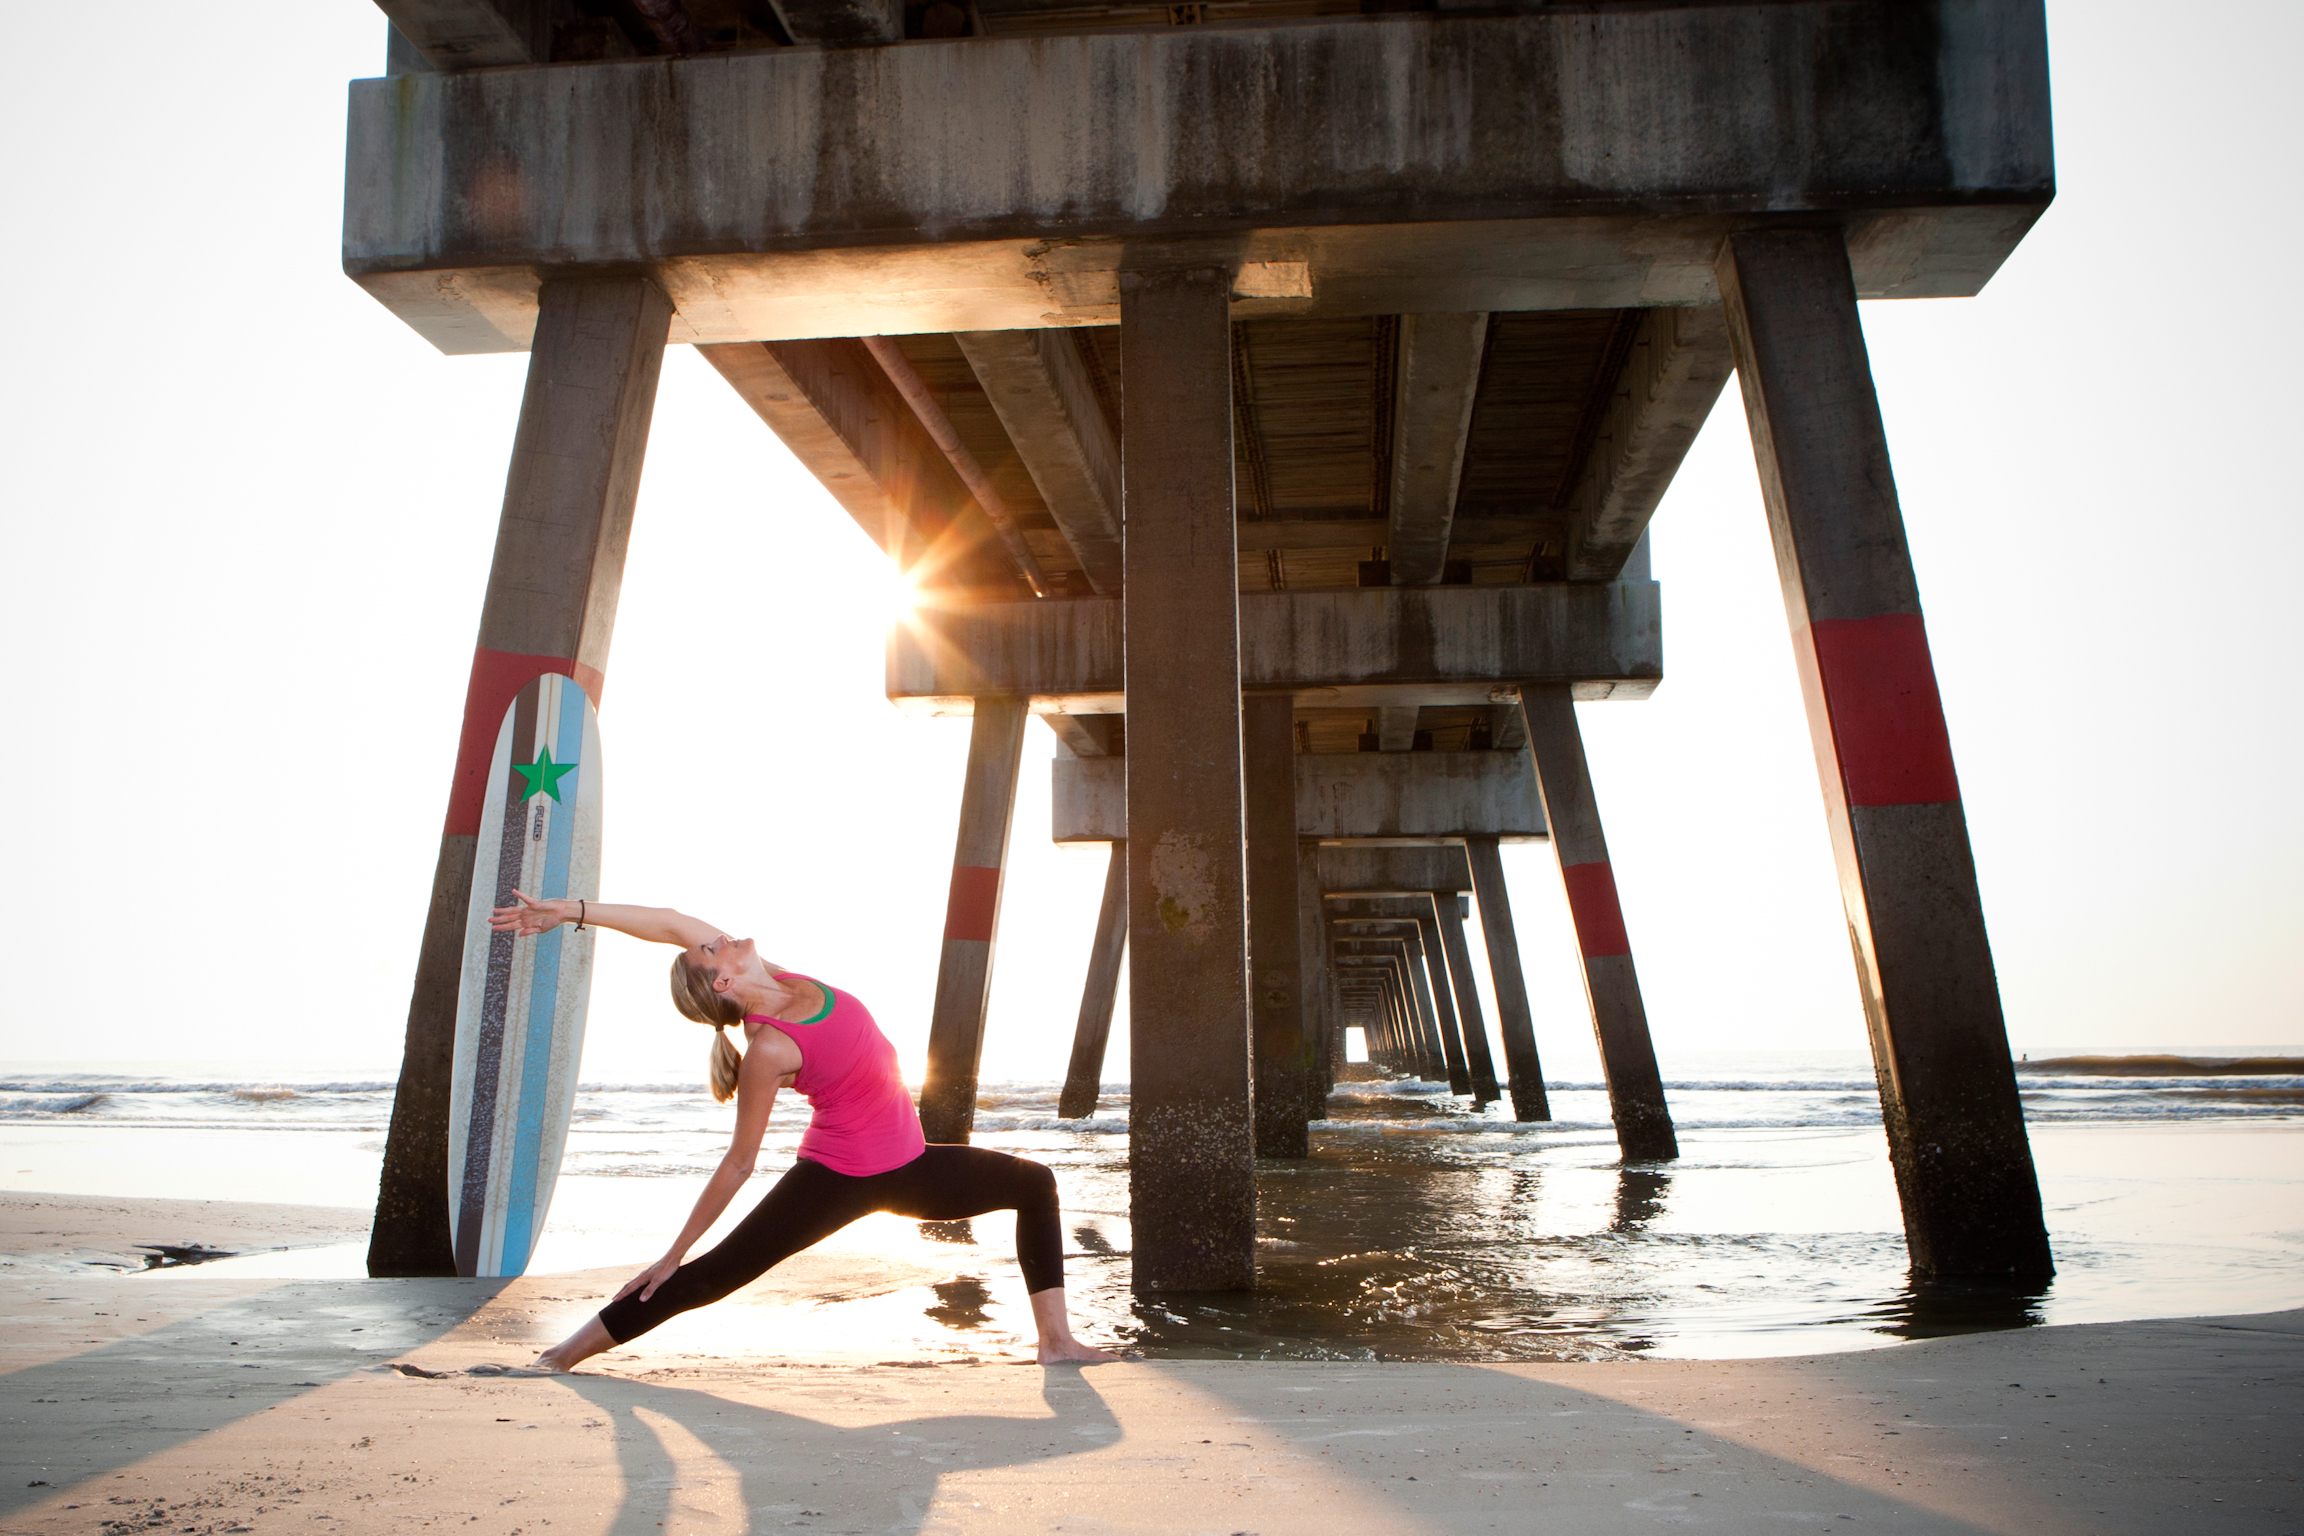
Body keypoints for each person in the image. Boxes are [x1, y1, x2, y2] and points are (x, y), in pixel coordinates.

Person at [487, 892, 1115, 1369]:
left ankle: (1056, 1343)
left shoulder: (782, 981)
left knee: (1035, 1184)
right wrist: (672, 1253)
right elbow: (739, 1163)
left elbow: (672, 923)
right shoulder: (768, 1049)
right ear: (723, 980)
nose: (717, 937)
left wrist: (567, 911)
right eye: (712, 948)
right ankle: (558, 1358)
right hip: (840, 1178)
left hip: (911, 1163)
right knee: (707, 1277)